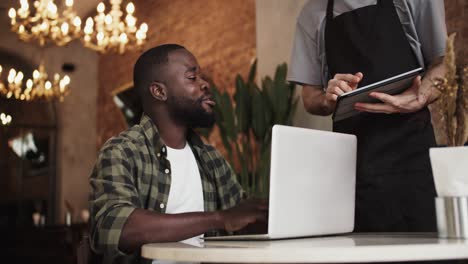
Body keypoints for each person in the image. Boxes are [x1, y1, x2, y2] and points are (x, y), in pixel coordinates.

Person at [89, 44, 267, 264]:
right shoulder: (122, 151)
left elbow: (242, 217)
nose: (205, 84)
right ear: (159, 91)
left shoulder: (211, 158)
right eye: (192, 77)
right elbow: (113, 227)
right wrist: (220, 218)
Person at [288, 0, 447, 232]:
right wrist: (327, 97)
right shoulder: (313, 13)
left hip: (414, 164)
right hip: (353, 173)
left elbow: (443, 64)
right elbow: (310, 95)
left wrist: (420, 96)